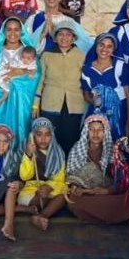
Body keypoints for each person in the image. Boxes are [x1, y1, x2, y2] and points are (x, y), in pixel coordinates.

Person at [0, 17, 39, 151]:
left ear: (21, 32)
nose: (12, 33)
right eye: (9, 29)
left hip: (18, 100)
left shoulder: (28, 52)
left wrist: (17, 76)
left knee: (17, 129)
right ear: (3, 32)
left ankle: (17, 158)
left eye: (16, 29)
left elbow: (35, 75)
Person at [66, 114, 129, 224]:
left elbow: (122, 180)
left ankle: (98, 215)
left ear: (105, 132)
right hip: (87, 194)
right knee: (73, 200)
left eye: (100, 130)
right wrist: (75, 187)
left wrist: (106, 191)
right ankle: (112, 216)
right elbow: (72, 176)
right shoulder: (77, 149)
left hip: (107, 193)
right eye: (92, 130)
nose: (95, 134)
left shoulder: (113, 150)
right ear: (87, 132)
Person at [34, 19, 87, 156]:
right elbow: (40, 81)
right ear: (55, 37)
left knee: (70, 139)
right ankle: (50, 166)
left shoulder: (81, 56)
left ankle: (68, 167)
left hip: (74, 104)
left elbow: (86, 80)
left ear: (73, 38)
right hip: (50, 103)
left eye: (68, 34)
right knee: (49, 138)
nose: (64, 37)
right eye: (61, 34)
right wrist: (35, 104)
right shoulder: (47, 55)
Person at [18, 117, 68, 232]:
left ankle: (41, 216)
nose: (43, 139)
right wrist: (29, 155)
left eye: (47, 135)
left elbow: (60, 179)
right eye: (39, 134)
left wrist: (49, 187)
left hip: (50, 190)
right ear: (33, 135)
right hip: (31, 191)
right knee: (41, 200)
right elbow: (24, 176)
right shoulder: (26, 148)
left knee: (64, 196)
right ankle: (44, 212)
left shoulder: (58, 153)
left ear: (52, 136)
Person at [26, 0, 92, 54]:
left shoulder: (69, 22)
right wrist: (42, 33)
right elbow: (25, 47)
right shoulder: (33, 19)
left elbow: (84, 46)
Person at [81, 33, 129, 141]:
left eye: (109, 46)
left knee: (117, 142)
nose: (104, 49)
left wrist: (128, 123)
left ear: (113, 49)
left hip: (118, 113)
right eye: (101, 45)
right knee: (95, 141)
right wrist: (99, 103)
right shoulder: (86, 69)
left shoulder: (120, 66)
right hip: (96, 113)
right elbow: (86, 95)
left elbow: (128, 95)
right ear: (96, 46)